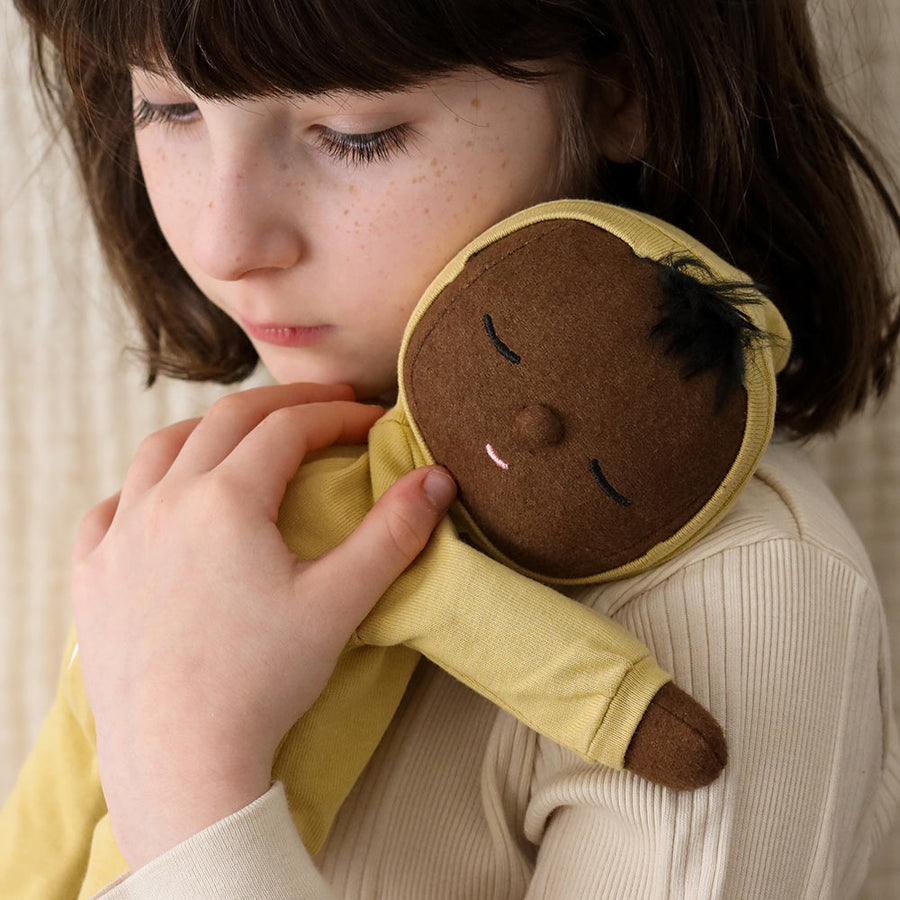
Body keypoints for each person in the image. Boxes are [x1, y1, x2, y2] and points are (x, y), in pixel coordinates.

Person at [3, 0, 900, 896]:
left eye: (356, 133)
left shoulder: (740, 599)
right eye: (169, 109)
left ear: (622, 86)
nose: (224, 241)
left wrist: (187, 792)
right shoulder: (260, 471)